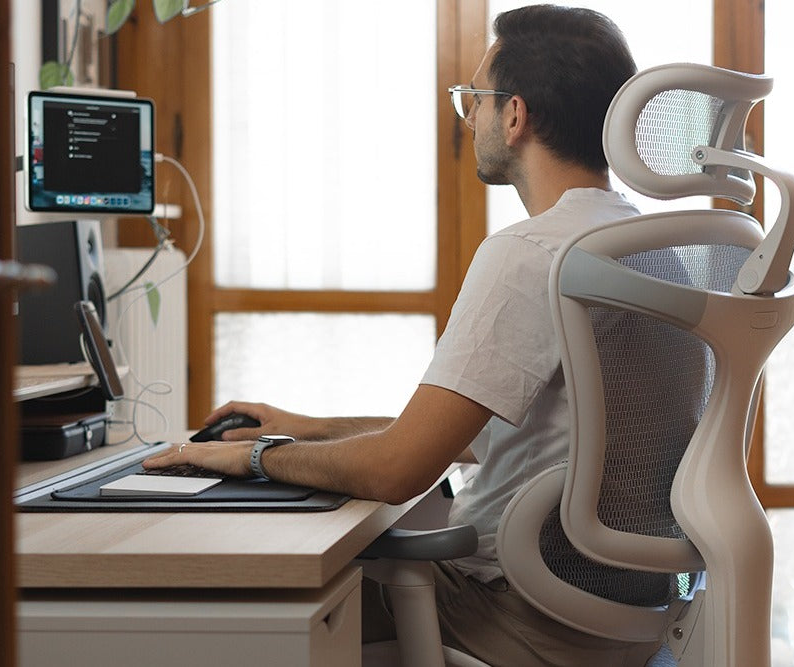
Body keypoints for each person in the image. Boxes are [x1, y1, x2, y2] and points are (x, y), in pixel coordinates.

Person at [145, 5, 655, 665]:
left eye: (474, 99)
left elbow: (395, 470)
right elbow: (480, 432)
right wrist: (306, 425)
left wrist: (249, 457)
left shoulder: (531, 253)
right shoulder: (644, 247)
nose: (468, 116)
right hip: (621, 619)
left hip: (507, 616)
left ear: (515, 115)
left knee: (213, 617)